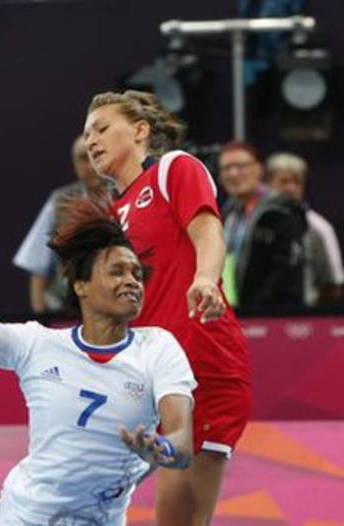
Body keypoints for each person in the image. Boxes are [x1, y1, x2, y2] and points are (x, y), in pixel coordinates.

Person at [0, 200, 195, 525]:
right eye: (117, 271)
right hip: (25, 516)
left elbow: (182, 441)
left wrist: (164, 449)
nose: (132, 281)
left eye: (137, 274)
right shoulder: (36, 344)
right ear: (81, 285)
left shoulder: (158, 348)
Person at [82, 90, 250, 525]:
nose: (91, 141)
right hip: (148, 378)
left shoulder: (174, 169)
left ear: (140, 131)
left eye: (102, 128)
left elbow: (208, 230)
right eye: (87, 134)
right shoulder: (114, 212)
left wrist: (205, 278)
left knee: (179, 520)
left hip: (201, 364)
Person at [13, 135, 108, 314]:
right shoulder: (60, 202)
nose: (90, 165)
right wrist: (42, 319)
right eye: (83, 158)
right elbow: (38, 267)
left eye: (94, 155)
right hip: (67, 307)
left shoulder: (127, 197)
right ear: (74, 164)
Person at [219, 142, 306, 309]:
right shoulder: (227, 213)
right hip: (235, 311)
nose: (233, 173)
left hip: (273, 315)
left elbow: (287, 273)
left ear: (258, 169)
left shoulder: (282, 210)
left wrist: (259, 309)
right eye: (226, 168)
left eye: (241, 166)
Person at [266, 152, 343, 307]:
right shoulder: (255, 222)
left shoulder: (319, 228)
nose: (291, 188)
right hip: (254, 313)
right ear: (268, 183)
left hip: (303, 314)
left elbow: (333, 284)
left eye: (297, 182)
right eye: (284, 181)